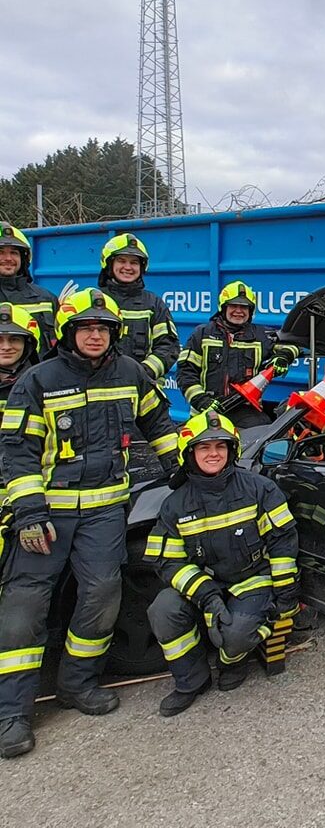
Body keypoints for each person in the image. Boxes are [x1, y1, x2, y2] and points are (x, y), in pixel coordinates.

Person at [0, 289, 178, 759]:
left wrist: (184, 478)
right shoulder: (38, 381)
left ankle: (77, 684)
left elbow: (159, 425)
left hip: (105, 511)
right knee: (25, 608)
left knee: (102, 594)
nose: (95, 335)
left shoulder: (131, 373)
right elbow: (17, 453)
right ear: (68, 332)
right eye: (86, 328)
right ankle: (11, 714)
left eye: (103, 328)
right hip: (48, 516)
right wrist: (29, 512)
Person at [145, 409, 300, 716]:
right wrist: (207, 595)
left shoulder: (259, 489)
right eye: (204, 447)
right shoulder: (175, 505)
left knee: (236, 634)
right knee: (163, 609)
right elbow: (168, 562)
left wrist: (286, 597)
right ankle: (191, 681)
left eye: (220, 446)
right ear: (189, 453)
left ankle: (233, 662)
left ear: (232, 450)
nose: (213, 453)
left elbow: (283, 544)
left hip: (252, 580)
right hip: (205, 585)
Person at [177, 280, 298, 428]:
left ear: (251, 311)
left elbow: (292, 344)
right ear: (223, 307)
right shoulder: (202, 334)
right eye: (233, 306)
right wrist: (201, 400)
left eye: (244, 307)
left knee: (262, 434)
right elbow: (185, 372)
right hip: (207, 409)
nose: (239, 311)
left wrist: (283, 357)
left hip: (246, 410)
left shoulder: (261, 335)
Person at [98, 233, 179, 380]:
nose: (128, 267)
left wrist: (143, 373)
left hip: (144, 390)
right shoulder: (95, 301)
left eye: (134, 262)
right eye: (121, 261)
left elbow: (168, 347)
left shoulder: (153, 304)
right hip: (99, 387)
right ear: (109, 264)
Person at [0, 304, 42, 503]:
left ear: (29, 344)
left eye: (14, 339)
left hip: (30, 494)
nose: (6, 346)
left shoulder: (43, 385)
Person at [0, 222, 58, 355]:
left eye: (14, 253)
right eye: (1, 252)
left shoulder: (46, 298)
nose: (8, 258)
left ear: (23, 258)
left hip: (41, 369)